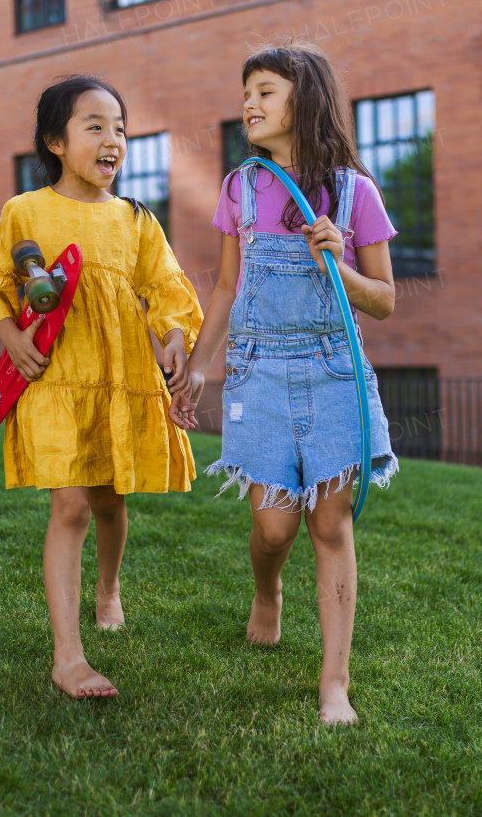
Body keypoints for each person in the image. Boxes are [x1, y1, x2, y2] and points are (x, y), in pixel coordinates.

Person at [170, 43, 398, 724]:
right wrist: (203, 367)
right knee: (273, 527)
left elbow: (384, 299)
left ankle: (335, 683)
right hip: (260, 371)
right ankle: (266, 589)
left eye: (265, 91)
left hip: (333, 370)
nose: (250, 104)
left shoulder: (356, 193)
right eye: (247, 92)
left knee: (330, 522)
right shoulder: (242, 187)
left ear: (307, 99)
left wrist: (341, 261)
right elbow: (229, 288)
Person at [0, 75, 203, 699]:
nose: (112, 140)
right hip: (54, 375)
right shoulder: (26, 210)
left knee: (108, 499)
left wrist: (175, 336)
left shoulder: (137, 220)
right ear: (55, 141)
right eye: (94, 126)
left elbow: (168, 291)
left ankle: (109, 588)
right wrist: (11, 334)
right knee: (69, 504)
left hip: (119, 375)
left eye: (120, 128)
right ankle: (67, 657)